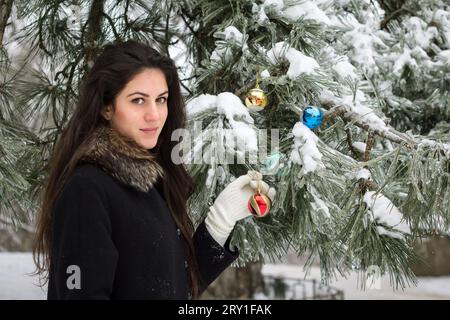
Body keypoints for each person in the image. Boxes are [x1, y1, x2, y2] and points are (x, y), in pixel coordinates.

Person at [32, 39, 276, 300]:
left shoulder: (150, 184)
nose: (155, 115)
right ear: (106, 107)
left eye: (161, 100)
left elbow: (175, 288)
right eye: (138, 100)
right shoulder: (87, 191)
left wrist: (220, 221)